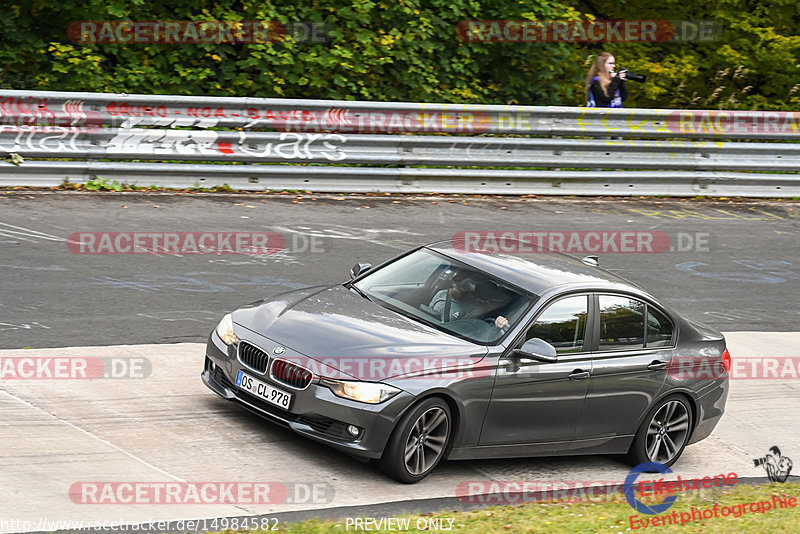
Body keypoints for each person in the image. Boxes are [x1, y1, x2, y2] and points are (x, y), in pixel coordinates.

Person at [427, 278, 509, 330]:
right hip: (427, 328)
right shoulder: (442, 294)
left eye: (458, 286)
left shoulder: (476, 307)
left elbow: (464, 330)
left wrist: (499, 323)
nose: (453, 286)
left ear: (468, 291)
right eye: (454, 284)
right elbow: (428, 312)